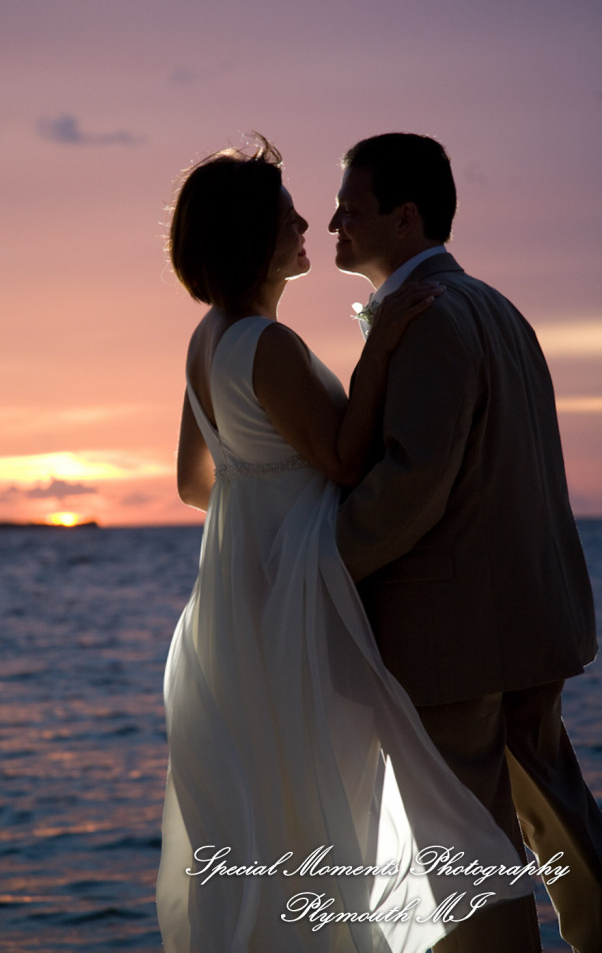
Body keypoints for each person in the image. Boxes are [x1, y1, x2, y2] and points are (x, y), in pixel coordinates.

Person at [156, 136, 532, 953]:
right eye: (286, 213)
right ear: (250, 235)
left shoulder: (206, 341)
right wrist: (382, 345)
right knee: (330, 790)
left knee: (278, 798)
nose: (306, 223)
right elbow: (346, 458)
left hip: (237, 601)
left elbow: (194, 483)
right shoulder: (267, 345)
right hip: (297, 600)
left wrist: (261, 493)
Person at [332, 132, 602, 953]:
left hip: (454, 637)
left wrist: (319, 561)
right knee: (557, 821)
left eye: (353, 206)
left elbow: (413, 483)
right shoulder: (497, 306)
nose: (334, 222)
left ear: (405, 218)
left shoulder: (431, 318)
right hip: (529, 617)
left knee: (466, 856)